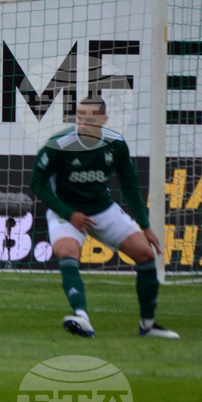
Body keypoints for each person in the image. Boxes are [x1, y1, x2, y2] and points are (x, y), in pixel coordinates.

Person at [30, 96, 177, 338]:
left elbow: (129, 185)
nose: (83, 124)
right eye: (79, 118)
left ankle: (148, 325)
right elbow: (37, 183)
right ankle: (81, 317)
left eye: (90, 119)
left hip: (102, 209)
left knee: (146, 254)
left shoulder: (115, 144)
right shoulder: (59, 144)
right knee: (66, 252)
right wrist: (69, 214)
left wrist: (145, 225)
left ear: (103, 120)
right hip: (66, 211)